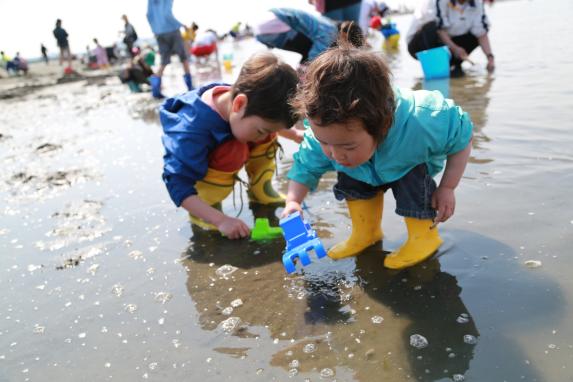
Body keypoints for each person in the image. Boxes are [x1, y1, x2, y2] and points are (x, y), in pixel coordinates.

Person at [282, 38, 473, 270]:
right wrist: (293, 201)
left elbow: (462, 138)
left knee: (412, 179)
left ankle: (423, 237)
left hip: (406, 161)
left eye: (348, 146)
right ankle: (366, 233)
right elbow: (305, 167)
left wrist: (447, 187)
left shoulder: (423, 120)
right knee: (348, 173)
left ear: (381, 125)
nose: (335, 154)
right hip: (363, 171)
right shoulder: (325, 132)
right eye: (326, 143)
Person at [160, 52, 299, 239]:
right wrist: (220, 220)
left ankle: (261, 190)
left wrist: (295, 134)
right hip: (205, 174)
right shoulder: (190, 132)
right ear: (239, 103)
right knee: (231, 151)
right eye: (260, 131)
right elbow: (177, 183)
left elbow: (267, 124)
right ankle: (206, 209)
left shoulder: (246, 103)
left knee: (263, 132)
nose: (263, 138)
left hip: (236, 130)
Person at [406, 0, 495, 76]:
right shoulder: (440, 2)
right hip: (420, 45)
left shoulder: (477, 4)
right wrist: (455, 48)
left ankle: (455, 65)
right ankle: (436, 69)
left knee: (476, 34)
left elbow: (481, 33)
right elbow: (439, 29)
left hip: (449, 44)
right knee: (431, 27)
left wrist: (490, 58)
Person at [254, 8, 364, 64]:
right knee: (318, 55)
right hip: (277, 25)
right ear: (345, 35)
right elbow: (314, 56)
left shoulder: (328, 22)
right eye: (349, 45)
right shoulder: (331, 32)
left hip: (262, 26)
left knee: (313, 48)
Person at [146, 0, 193, 98]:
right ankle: (190, 88)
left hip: (159, 33)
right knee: (183, 58)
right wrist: (181, 25)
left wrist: (155, 30)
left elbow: (148, 15)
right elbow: (167, 14)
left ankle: (155, 90)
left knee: (164, 62)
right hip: (171, 30)